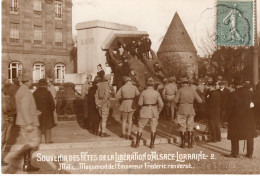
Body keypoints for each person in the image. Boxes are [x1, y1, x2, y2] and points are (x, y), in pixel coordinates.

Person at [5, 72, 41, 173]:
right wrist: (29, 123)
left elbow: (23, 108)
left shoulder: (21, 90)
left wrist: (35, 111)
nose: (32, 82)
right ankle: (21, 161)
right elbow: (24, 109)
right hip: (28, 122)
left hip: (23, 120)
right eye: (31, 80)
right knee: (33, 143)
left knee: (29, 143)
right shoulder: (26, 92)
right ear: (28, 81)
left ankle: (26, 164)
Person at [226, 77, 257, 158]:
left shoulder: (233, 94)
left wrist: (227, 118)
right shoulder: (250, 93)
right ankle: (249, 154)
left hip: (236, 118)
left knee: (234, 136)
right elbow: (253, 105)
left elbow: (229, 108)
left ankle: (235, 153)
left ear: (235, 85)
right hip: (248, 118)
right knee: (250, 136)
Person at [134, 77, 164, 149]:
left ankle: (137, 143)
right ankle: (152, 145)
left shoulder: (143, 92)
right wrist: (158, 112)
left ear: (147, 84)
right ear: (153, 85)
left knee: (140, 127)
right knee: (153, 128)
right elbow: (161, 104)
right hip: (154, 111)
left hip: (145, 110)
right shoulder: (156, 93)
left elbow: (140, 103)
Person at [174, 77, 202, 148]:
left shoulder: (180, 90)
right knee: (190, 127)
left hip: (182, 109)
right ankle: (190, 144)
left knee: (182, 126)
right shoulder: (193, 90)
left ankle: (183, 144)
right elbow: (200, 101)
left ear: (182, 84)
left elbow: (175, 101)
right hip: (190, 110)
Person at [33, 79, 55, 144]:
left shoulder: (35, 93)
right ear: (45, 85)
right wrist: (52, 109)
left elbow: (32, 103)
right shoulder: (48, 93)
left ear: (39, 85)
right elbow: (52, 104)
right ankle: (48, 140)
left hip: (38, 113)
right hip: (47, 113)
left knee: (39, 126)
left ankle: (38, 140)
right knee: (48, 127)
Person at [1, 78, 14, 166]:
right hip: (2, 120)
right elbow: (5, 109)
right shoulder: (3, 96)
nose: (8, 90)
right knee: (2, 139)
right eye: (7, 88)